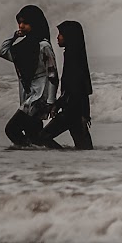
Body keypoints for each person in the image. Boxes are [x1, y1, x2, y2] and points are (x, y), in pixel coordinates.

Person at [0, 5, 58, 147]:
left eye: (25, 23)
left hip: (39, 97)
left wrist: (51, 101)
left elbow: (53, 75)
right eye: (19, 23)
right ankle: (51, 154)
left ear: (35, 23)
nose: (21, 26)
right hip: (28, 95)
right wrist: (14, 37)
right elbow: (2, 51)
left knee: (11, 129)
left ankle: (25, 150)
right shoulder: (22, 48)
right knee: (36, 136)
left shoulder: (44, 46)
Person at [42, 20, 94, 150]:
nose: (58, 37)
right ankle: (71, 160)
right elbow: (82, 89)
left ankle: (65, 157)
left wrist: (57, 105)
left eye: (61, 34)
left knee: (43, 137)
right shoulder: (74, 55)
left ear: (69, 36)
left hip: (71, 112)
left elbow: (75, 88)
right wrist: (85, 114)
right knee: (85, 149)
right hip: (76, 111)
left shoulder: (73, 57)